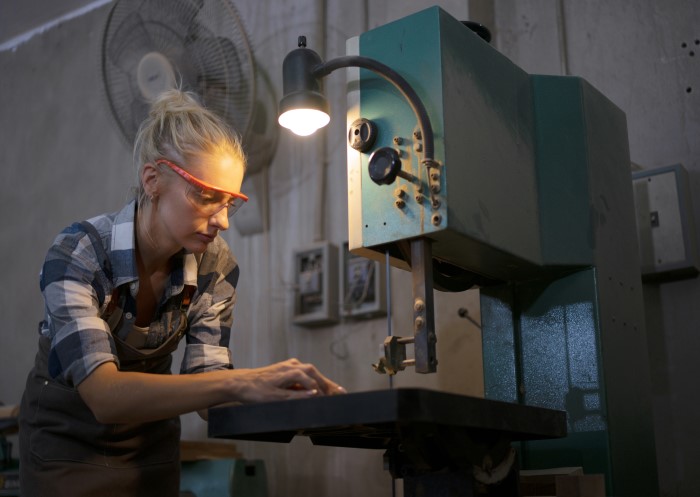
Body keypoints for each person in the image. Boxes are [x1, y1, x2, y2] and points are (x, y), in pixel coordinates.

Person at [18, 88, 345, 497]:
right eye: (207, 197)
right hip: (65, 450)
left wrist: (287, 396)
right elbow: (105, 395)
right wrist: (240, 382)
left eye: (230, 202)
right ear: (152, 180)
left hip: (149, 453)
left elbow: (209, 393)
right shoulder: (79, 253)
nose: (222, 220)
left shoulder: (215, 267)